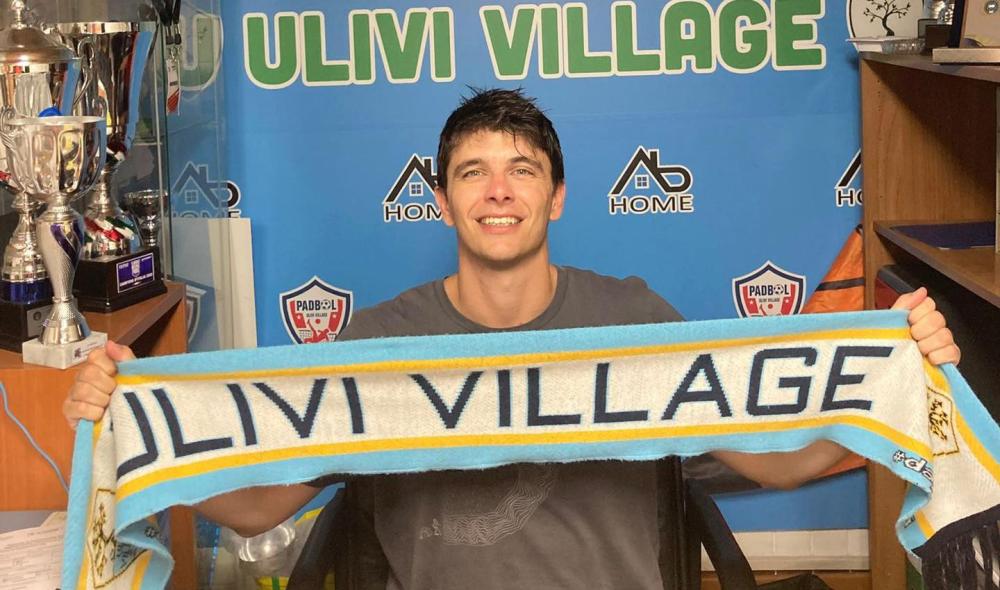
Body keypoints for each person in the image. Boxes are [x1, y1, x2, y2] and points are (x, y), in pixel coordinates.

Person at [64, 89, 960, 589]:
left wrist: (907, 384)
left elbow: (783, 464)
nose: (498, 191)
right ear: (443, 201)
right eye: (473, 173)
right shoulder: (377, 345)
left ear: (556, 197)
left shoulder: (633, 320)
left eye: (522, 170)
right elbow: (261, 506)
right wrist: (131, 434)